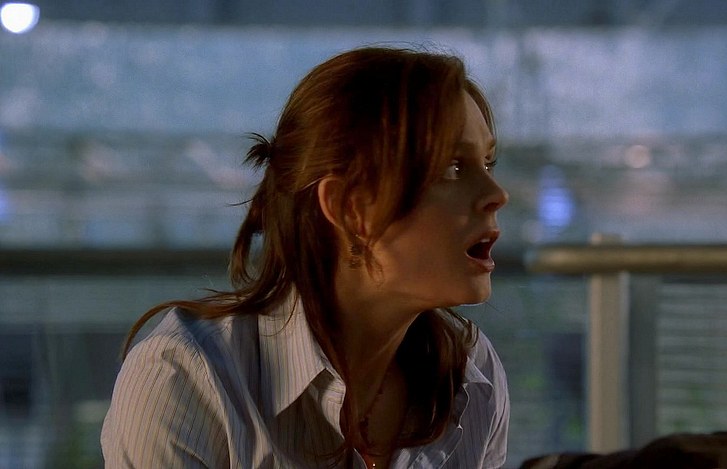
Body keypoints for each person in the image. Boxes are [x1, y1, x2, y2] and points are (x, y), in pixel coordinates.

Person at [100, 45, 510, 468]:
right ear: (350, 208)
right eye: (452, 168)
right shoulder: (187, 379)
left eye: (488, 163)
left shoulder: (471, 373)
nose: (497, 195)